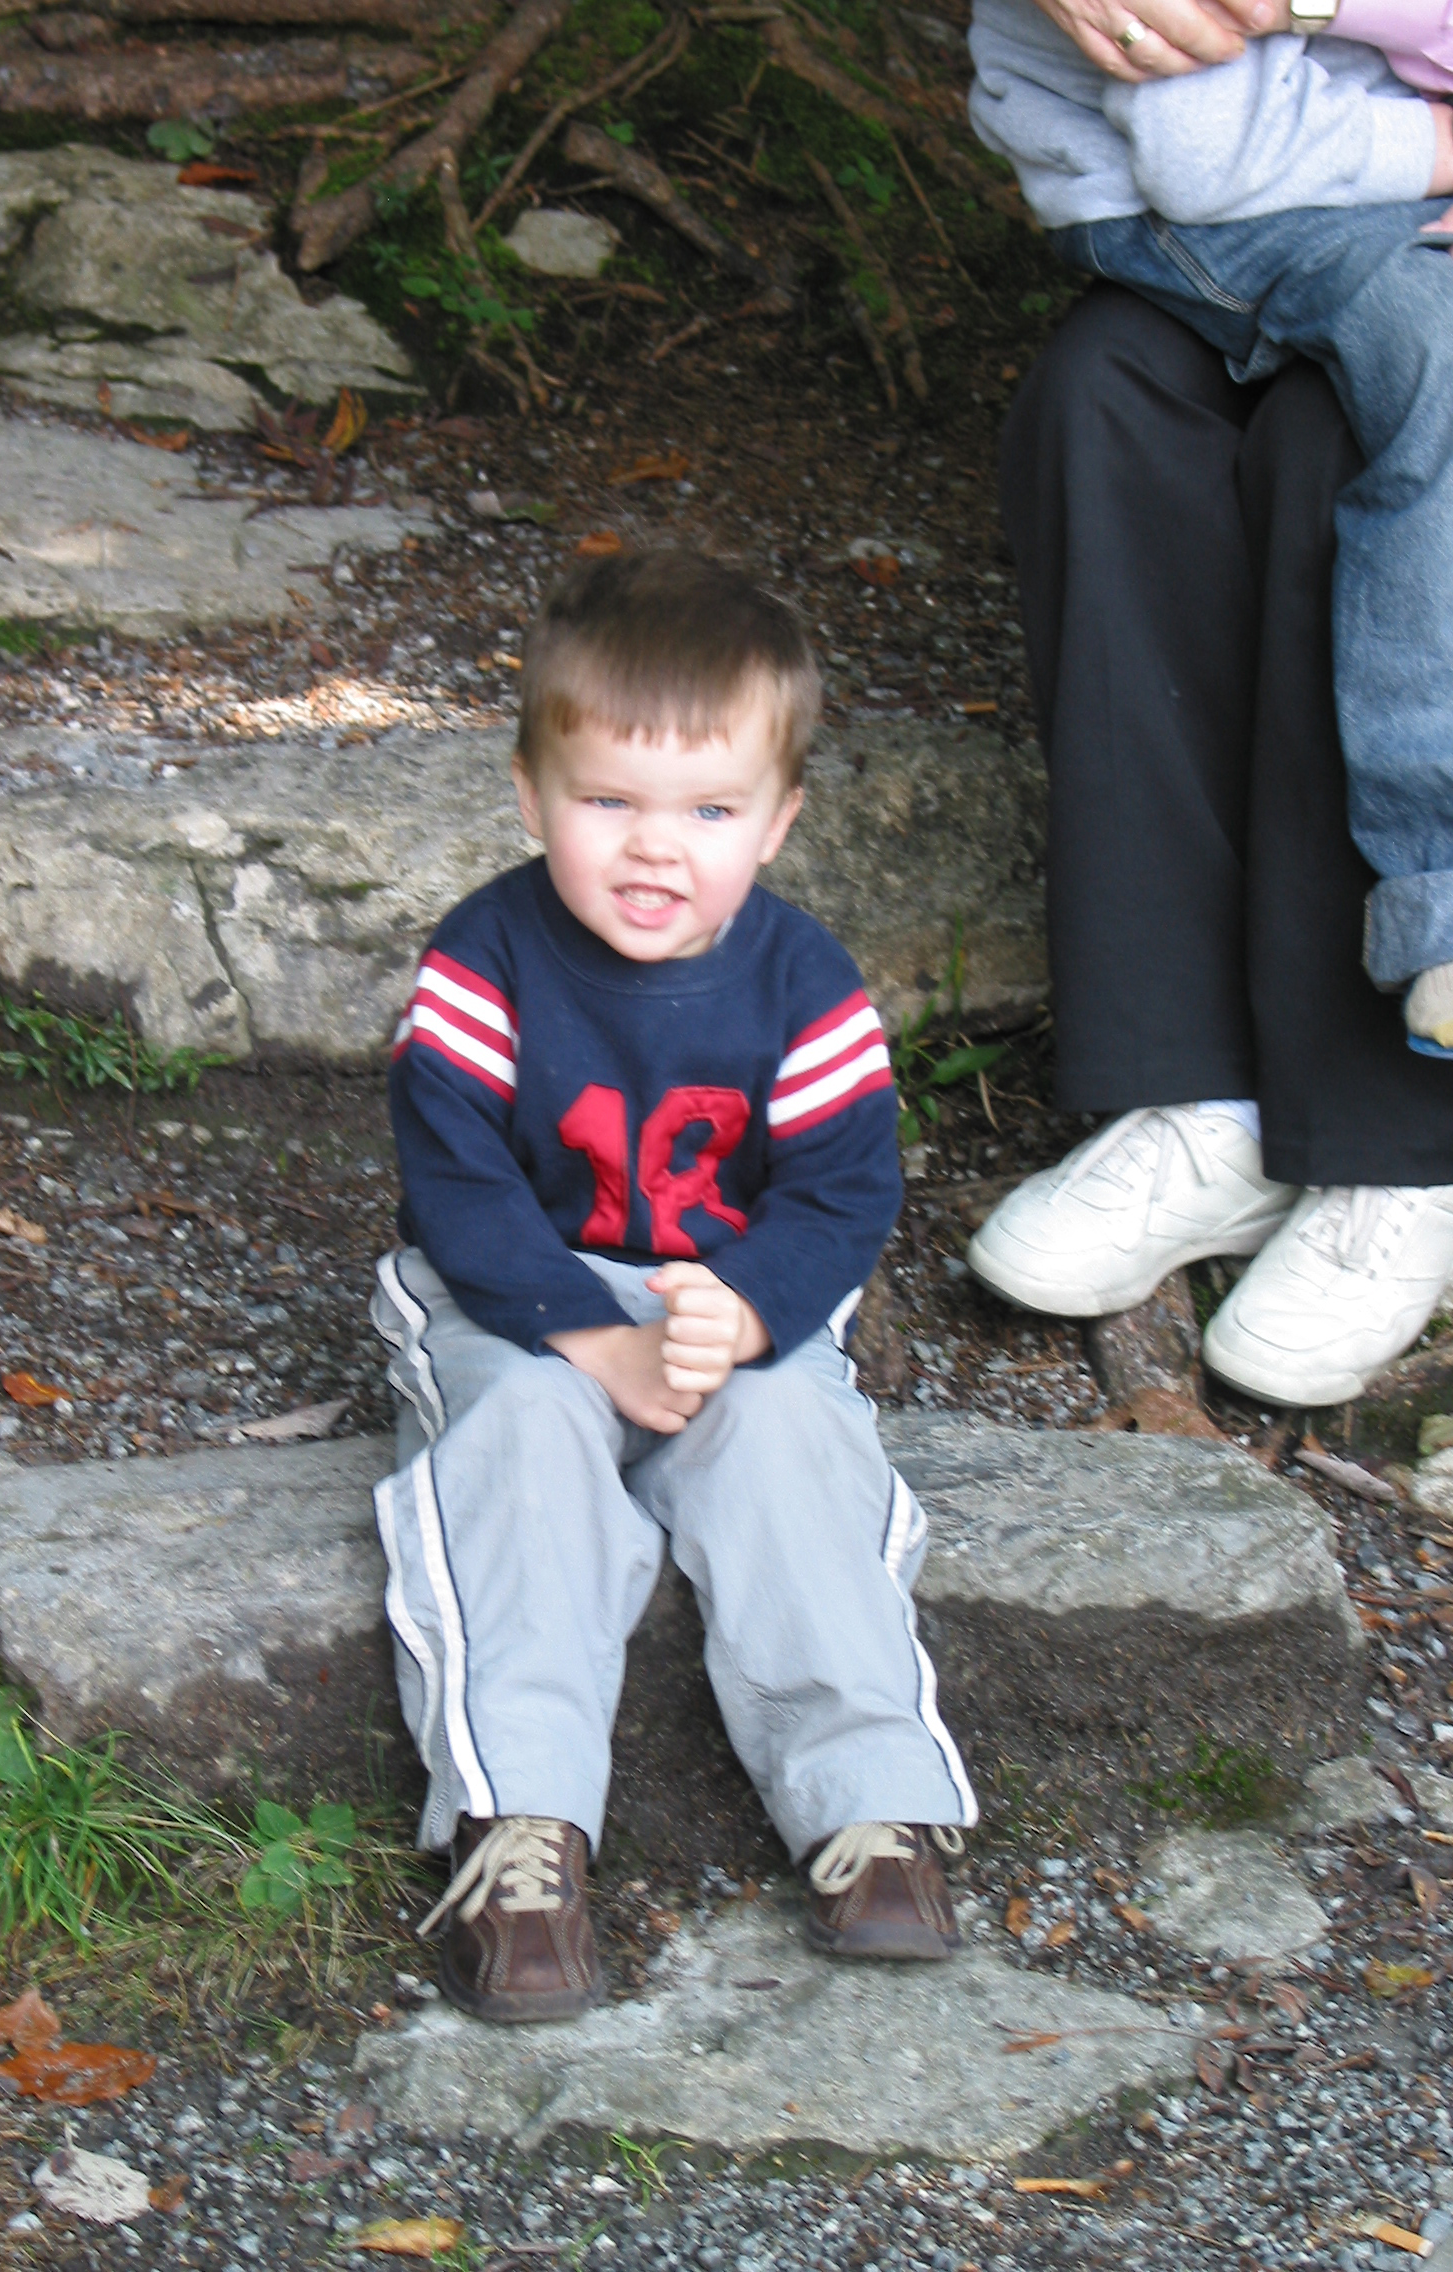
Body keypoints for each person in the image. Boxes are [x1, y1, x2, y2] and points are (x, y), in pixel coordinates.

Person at [368, 549, 975, 2024]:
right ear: (528, 794)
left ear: (779, 821)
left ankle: (868, 1802)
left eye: (709, 811)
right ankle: (518, 1829)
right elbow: (461, 1190)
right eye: (608, 803)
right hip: (520, 1293)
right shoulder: (485, 964)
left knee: (790, 1445)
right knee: (515, 1445)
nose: (657, 851)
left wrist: (750, 1310)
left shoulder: (809, 986)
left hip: (727, 1298)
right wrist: (591, 1339)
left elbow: (843, 1192)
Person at [967, 0, 1453, 1055]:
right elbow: (1210, 162)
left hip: (1295, 140)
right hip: (1203, 177)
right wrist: (1441, 144)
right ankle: (1440, 898)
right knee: (1434, 356)